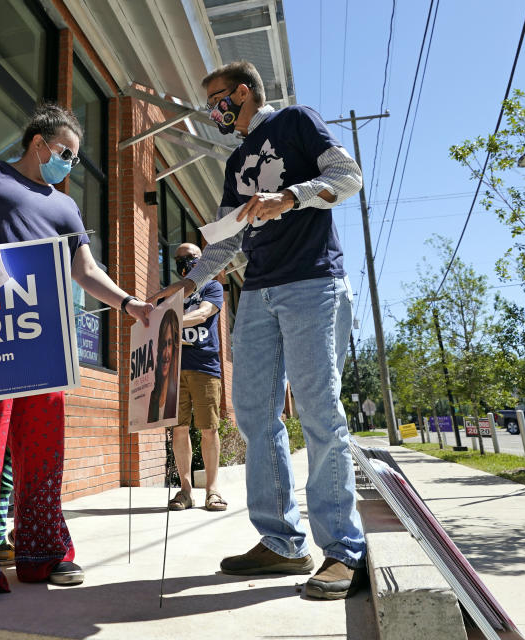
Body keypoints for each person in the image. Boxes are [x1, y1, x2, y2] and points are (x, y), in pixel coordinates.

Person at [149, 61, 366, 600]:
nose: (213, 111)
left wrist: (291, 196)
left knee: (318, 411)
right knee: (251, 414)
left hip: (312, 283)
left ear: (243, 92)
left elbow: (348, 177)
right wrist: (186, 285)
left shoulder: (295, 121)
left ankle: (343, 551)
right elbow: (226, 240)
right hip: (260, 291)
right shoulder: (235, 161)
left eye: (217, 99)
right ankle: (284, 543)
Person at [0, 102, 152, 603]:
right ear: (39, 144)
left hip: (42, 335)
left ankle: (44, 554)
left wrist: (130, 303)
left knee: (43, 451)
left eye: (74, 157)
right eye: (65, 152)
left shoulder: (66, 208)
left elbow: (84, 272)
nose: (70, 163)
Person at [167, 243, 227, 512]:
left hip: (205, 367)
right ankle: (186, 490)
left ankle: (212, 491)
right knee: (179, 429)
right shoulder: (171, 293)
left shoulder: (213, 287)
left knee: (209, 428)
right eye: (180, 259)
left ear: (202, 261)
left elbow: (203, 313)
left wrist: (168, 316)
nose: (185, 262)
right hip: (174, 368)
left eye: (191, 257)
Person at [147, 309, 180, 423]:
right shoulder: (154, 396)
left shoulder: (178, 395)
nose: (166, 354)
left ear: (175, 348)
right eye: (163, 344)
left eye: (170, 344)